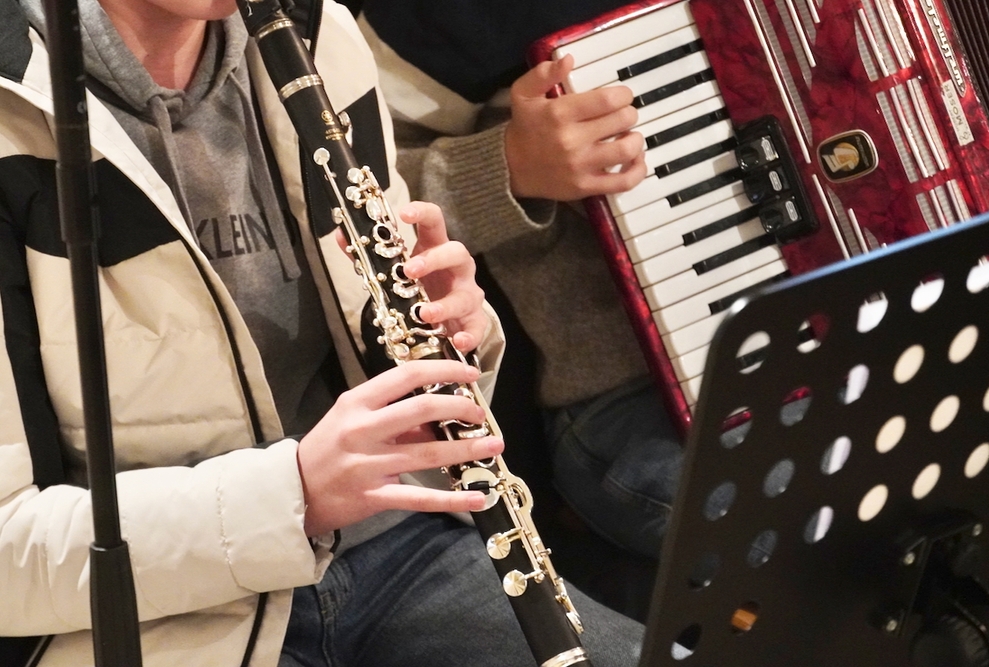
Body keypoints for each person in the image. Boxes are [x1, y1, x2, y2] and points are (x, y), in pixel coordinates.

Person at [0, 1, 644, 665]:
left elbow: (379, 349)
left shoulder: (315, 36)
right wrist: (294, 495)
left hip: (393, 539)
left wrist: (452, 339)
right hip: (159, 616)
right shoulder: (11, 90)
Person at [358, 1, 685, 565]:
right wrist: (509, 166)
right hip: (625, 393)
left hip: (831, 342)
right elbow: (338, 191)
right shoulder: (445, 18)